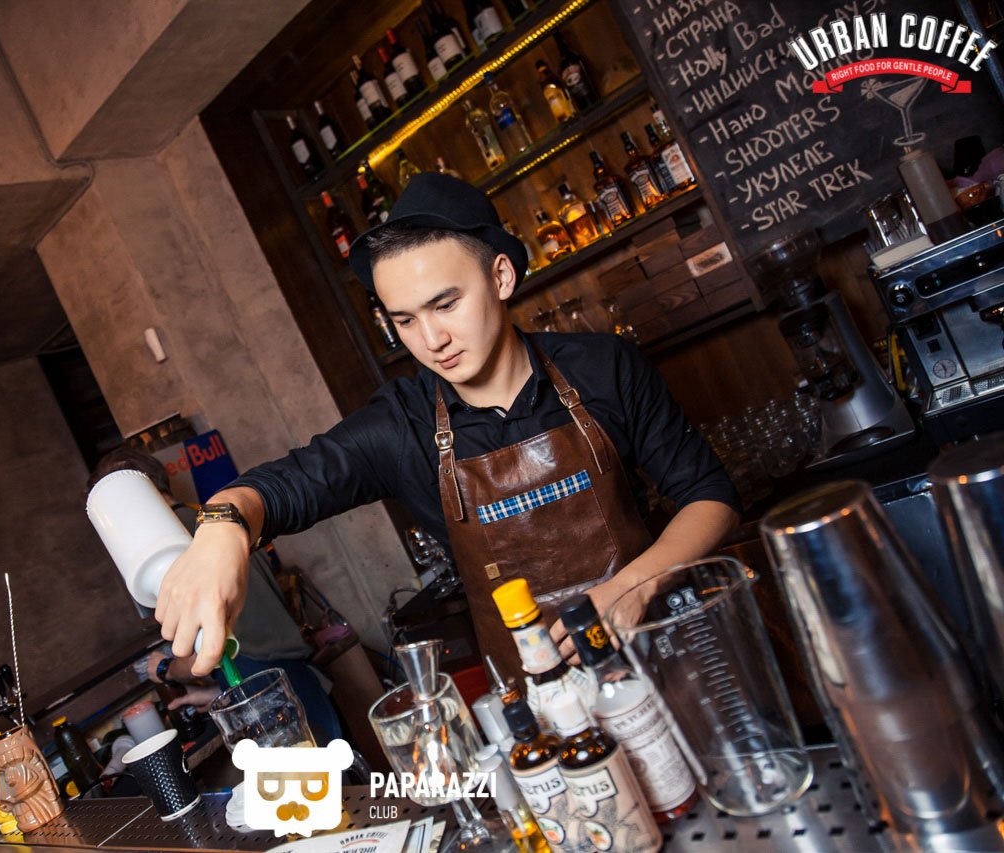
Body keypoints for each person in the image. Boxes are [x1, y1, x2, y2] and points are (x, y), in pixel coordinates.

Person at [154, 173, 740, 687]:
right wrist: (222, 528)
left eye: (446, 304)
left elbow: (711, 496)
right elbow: (281, 488)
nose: (432, 340)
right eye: (406, 320)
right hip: (541, 699)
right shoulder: (401, 425)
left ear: (501, 276)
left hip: (666, 648)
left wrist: (632, 587)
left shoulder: (604, 368)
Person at [88, 444, 343, 744]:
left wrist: (166, 668)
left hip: (264, 690)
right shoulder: (222, 521)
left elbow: (207, 647)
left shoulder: (165, 550)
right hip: (295, 679)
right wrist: (219, 691)